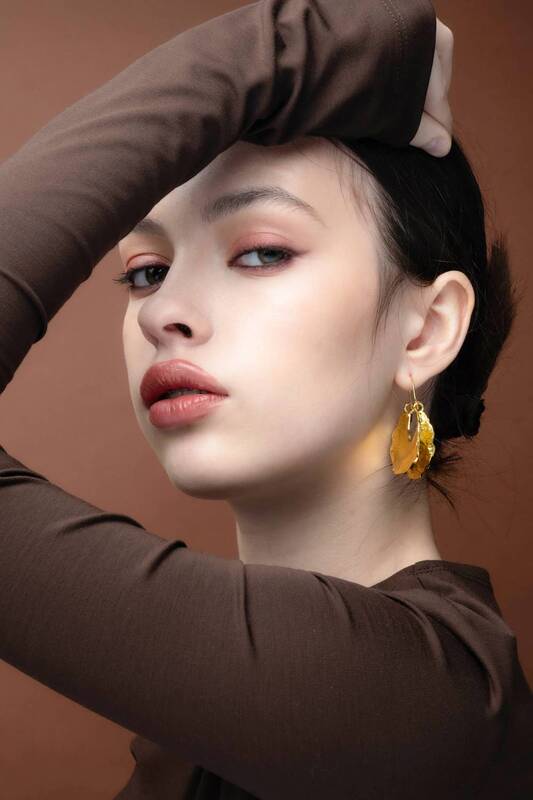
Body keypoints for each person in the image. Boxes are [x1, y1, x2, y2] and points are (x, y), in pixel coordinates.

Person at [0, 1, 531, 798]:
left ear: (424, 330)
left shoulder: (430, 700)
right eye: (146, 271)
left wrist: (275, 49)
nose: (161, 311)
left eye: (259, 253)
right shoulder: (206, 726)